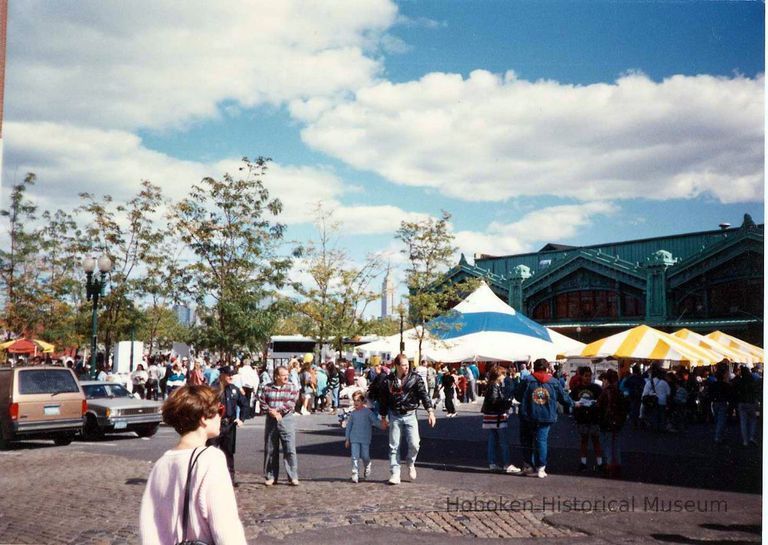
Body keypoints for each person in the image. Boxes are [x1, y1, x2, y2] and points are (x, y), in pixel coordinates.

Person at [139, 385, 247, 545]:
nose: (221, 417)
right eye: (220, 410)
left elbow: (148, 527)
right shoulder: (211, 459)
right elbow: (226, 529)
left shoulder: (161, 463)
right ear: (204, 417)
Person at [379, 354, 436, 485]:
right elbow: (383, 400)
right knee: (394, 446)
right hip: (395, 415)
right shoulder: (388, 381)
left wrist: (430, 412)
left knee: (415, 443)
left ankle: (410, 462)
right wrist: (383, 417)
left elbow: (424, 395)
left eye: (407, 364)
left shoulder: (415, 378)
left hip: (410, 414)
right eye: (404, 364)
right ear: (397, 366)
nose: (406, 367)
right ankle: (395, 472)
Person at [515, 358, 573, 478]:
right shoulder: (554, 381)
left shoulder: (527, 380)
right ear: (547, 369)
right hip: (546, 416)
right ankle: (541, 468)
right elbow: (563, 398)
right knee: (541, 441)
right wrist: (572, 403)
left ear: (534, 368)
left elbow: (518, 396)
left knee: (527, 441)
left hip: (528, 415)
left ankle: (528, 466)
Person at [259, 366, 301, 486]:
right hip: (271, 420)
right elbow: (262, 401)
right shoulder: (267, 387)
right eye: (283, 375)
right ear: (277, 376)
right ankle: (271, 476)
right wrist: (270, 411)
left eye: (287, 374)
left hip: (286, 418)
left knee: (289, 448)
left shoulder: (291, 387)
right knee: (271, 449)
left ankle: (293, 476)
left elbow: (291, 402)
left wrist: (277, 411)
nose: (286, 377)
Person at [207, 366, 246, 486]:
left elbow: (244, 404)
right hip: (215, 424)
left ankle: (230, 478)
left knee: (228, 452)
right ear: (222, 375)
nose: (231, 377)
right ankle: (209, 479)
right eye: (228, 374)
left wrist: (241, 419)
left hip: (229, 425)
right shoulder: (213, 389)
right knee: (210, 451)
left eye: (232, 375)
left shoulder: (234, 389)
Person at [481, 365, 520, 473]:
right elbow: (495, 401)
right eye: (503, 374)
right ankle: (507, 464)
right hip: (497, 416)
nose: (504, 376)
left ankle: (492, 463)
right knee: (503, 441)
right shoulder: (495, 385)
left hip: (490, 416)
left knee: (492, 440)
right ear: (498, 375)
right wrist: (507, 402)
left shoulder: (492, 385)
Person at [344, 390, 385, 482]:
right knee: (355, 456)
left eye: (358, 400)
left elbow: (375, 421)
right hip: (354, 438)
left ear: (363, 401)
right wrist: (347, 439)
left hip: (365, 438)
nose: (356, 403)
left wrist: (383, 425)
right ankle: (355, 473)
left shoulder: (368, 412)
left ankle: (367, 465)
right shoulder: (353, 413)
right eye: (354, 400)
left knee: (365, 455)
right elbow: (349, 426)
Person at [570, 367, 603, 472]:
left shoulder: (596, 388)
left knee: (596, 440)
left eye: (589, 376)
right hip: (582, 418)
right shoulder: (577, 389)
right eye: (586, 376)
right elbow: (572, 401)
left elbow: (601, 401)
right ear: (582, 376)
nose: (588, 378)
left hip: (594, 418)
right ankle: (583, 462)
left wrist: (596, 404)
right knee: (584, 440)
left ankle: (600, 463)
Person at [597, 369, 628, 479]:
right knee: (616, 445)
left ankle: (609, 467)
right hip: (617, 423)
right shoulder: (619, 392)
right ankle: (617, 467)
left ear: (606, 380)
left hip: (606, 423)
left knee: (607, 446)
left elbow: (599, 408)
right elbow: (624, 408)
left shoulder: (605, 392)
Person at [733, 365, 761, 447]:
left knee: (743, 422)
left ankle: (745, 441)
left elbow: (736, 390)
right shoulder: (752, 381)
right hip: (751, 402)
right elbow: (756, 391)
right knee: (753, 420)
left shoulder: (739, 381)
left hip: (742, 403)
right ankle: (751, 436)